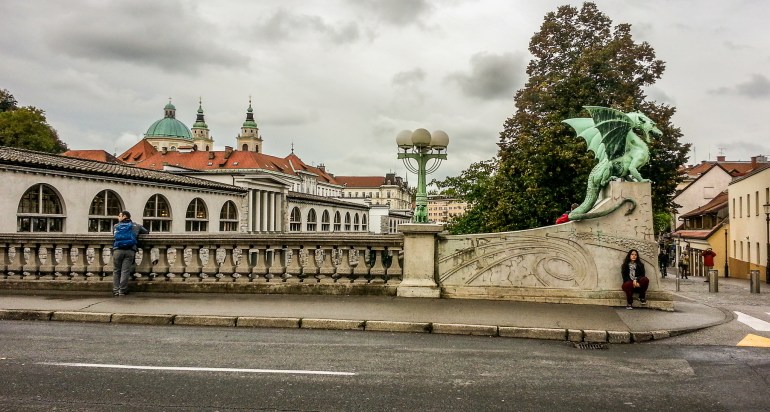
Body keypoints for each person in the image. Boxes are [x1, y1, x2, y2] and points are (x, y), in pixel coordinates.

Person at [112, 210, 148, 296]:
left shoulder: (116, 226)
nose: (118, 217)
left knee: (116, 270)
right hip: (130, 250)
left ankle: (115, 290)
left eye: (120, 216)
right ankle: (122, 290)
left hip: (118, 250)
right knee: (125, 271)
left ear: (124, 216)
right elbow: (146, 231)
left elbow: (113, 235)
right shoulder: (136, 225)